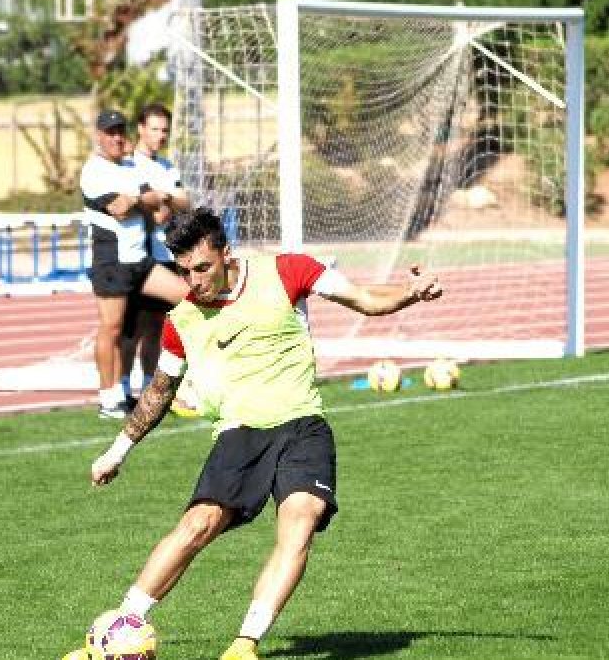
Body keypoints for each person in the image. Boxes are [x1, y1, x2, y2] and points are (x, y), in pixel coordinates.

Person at [73, 210, 444, 660]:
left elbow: (366, 299)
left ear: (226, 253)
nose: (194, 281)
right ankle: (117, 630)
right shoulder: (183, 319)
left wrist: (411, 292)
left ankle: (244, 644)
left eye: (203, 268)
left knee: (301, 520)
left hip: (303, 424)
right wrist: (117, 451)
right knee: (199, 524)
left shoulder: (289, 271)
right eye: (185, 272)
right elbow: (159, 392)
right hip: (239, 435)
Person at [79, 108, 191, 419]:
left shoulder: (129, 166)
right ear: (99, 136)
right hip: (111, 260)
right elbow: (119, 208)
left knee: (187, 297)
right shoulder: (94, 170)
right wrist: (141, 200)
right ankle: (110, 397)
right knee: (113, 328)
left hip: (140, 259)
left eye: (120, 131)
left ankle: (171, 385)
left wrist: (141, 200)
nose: (116, 137)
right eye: (110, 132)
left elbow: (156, 207)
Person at [119, 103, 191, 403]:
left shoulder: (167, 166)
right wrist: (157, 204)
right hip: (138, 256)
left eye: (165, 130)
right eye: (154, 129)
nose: (160, 135)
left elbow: (184, 202)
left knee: (155, 327)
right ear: (140, 129)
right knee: (130, 330)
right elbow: (143, 209)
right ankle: (121, 390)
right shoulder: (128, 165)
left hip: (165, 255)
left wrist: (165, 198)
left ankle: (150, 389)